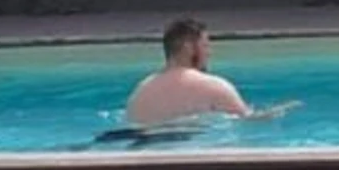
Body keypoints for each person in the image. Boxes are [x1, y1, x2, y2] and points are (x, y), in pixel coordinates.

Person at [121, 18, 299, 130]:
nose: (209, 53)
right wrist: (275, 114)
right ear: (188, 47)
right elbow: (246, 121)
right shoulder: (214, 87)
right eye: (205, 46)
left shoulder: (141, 91)